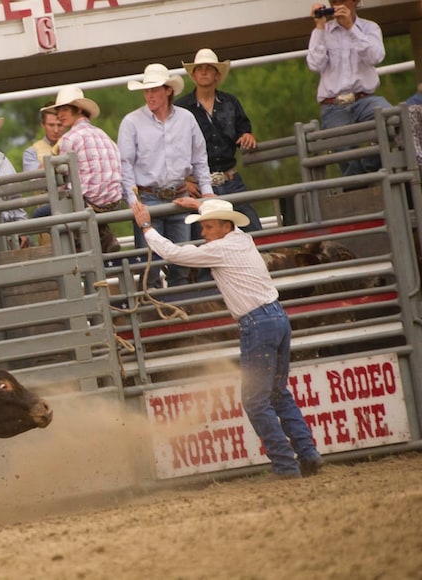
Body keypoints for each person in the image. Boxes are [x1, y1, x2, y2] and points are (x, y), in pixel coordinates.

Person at [132, 198, 323, 479]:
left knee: (256, 400)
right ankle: (308, 454)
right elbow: (217, 224)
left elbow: (173, 253)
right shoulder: (242, 239)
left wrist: (146, 227)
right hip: (277, 318)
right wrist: (200, 204)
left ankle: (285, 465)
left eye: (208, 227)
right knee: (277, 393)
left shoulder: (219, 249)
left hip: (257, 324)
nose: (203, 233)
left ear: (224, 227)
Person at [119, 63, 214, 288]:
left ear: (168, 90)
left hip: (178, 196)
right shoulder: (132, 122)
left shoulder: (186, 119)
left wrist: (207, 193)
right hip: (148, 198)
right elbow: (125, 166)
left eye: (154, 90)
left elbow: (200, 158)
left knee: (180, 264)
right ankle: (158, 314)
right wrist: (135, 203)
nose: (149, 95)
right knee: (150, 266)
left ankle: (178, 310)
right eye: (146, 90)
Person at [176, 48, 263, 234]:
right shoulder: (181, 108)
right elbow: (172, 148)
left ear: (217, 74)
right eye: (200, 68)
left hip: (230, 178)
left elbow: (243, 129)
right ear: (193, 75)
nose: (204, 72)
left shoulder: (230, 102)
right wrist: (184, 181)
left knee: (254, 230)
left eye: (209, 68)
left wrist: (248, 135)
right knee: (200, 236)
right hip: (197, 184)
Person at [306, 0, 391, 176]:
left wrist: (351, 28)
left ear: (355, 2)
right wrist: (319, 26)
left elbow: (376, 57)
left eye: (343, 0)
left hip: (365, 99)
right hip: (333, 105)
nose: (338, 5)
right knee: (345, 154)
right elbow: (314, 64)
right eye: (334, 1)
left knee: (390, 117)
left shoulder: (369, 28)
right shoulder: (323, 31)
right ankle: (357, 184)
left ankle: (371, 170)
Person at [38, 87, 124, 253]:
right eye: (58, 111)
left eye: (64, 109)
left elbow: (63, 180)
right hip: (114, 201)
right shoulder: (102, 134)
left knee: (41, 214)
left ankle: (70, 251)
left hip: (88, 202)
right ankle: (102, 236)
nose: (60, 115)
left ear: (78, 109)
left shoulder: (69, 139)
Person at [22, 107, 65, 173]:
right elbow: (33, 177)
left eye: (60, 125)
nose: (56, 130)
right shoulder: (31, 152)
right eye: (51, 125)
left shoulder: (74, 144)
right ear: (43, 125)